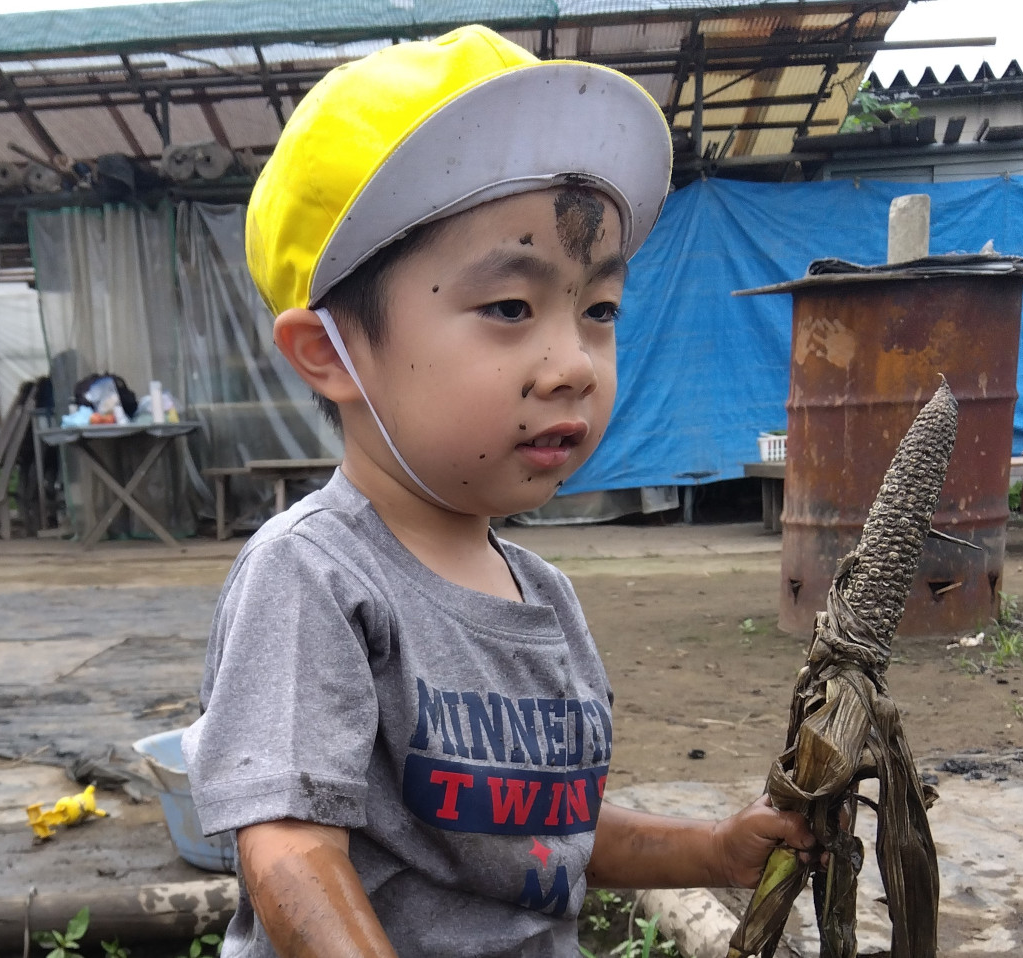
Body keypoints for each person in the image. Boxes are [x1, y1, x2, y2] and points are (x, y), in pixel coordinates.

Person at [181, 25, 817, 957]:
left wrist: (716, 848)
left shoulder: (546, 600)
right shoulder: (314, 576)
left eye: (597, 310)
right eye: (510, 309)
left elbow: (552, 842)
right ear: (330, 353)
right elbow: (288, 851)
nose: (571, 365)